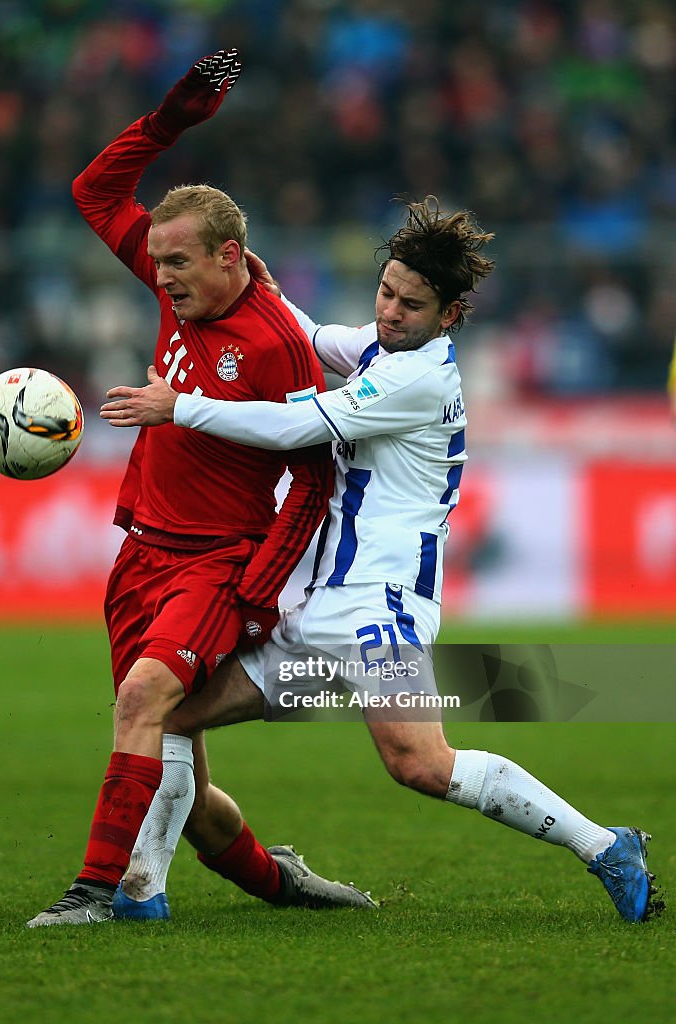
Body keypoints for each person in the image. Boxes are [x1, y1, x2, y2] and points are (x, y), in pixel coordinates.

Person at [99, 195, 661, 924]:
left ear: (449, 314)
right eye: (386, 293)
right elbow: (315, 337)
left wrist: (180, 407)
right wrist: (261, 295)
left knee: (419, 764)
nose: (391, 312)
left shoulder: (418, 379)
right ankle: (141, 893)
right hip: (316, 611)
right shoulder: (384, 348)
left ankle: (605, 846)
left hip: (380, 607)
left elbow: (297, 421)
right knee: (169, 715)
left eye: (411, 304)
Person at [27, 50, 375, 927]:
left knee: (144, 704)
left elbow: (314, 474)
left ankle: (94, 896)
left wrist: (260, 592)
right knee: (175, 775)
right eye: (158, 261)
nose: (162, 275)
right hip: (141, 554)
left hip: (215, 568)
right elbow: (94, 196)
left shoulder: (273, 347)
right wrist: (169, 121)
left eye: (178, 261)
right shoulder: (178, 290)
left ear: (232, 256)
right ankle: (285, 883)